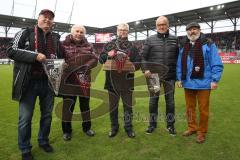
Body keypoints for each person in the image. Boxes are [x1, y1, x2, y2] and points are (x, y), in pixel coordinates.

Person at [7, 9, 64, 160]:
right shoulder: (25, 32)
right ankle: (25, 148)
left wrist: (61, 64)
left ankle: (43, 141)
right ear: (38, 18)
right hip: (28, 82)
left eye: (50, 18)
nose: (47, 20)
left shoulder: (56, 37)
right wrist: (35, 56)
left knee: (47, 116)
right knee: (25, 118)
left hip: (48, 82)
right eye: (44, 17)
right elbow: (11, 50)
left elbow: (60, 56)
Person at [176, 22, 223, 143]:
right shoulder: (183, 45)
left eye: (195, 29)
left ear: (199, 30)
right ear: (187, 32)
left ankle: (201, 131)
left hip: (204, 83)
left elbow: (216, 62)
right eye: (190, 30)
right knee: (189, 108)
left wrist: (215, 79)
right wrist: (180, 78)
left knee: (203, 109)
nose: (192, 32)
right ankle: (192, 127)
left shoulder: (208, 44)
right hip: (188, 83)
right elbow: (179, 64)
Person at [99, 23, 140, 138]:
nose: (122, 32)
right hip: (111, 82)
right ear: (117, 31)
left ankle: (128, 127)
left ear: (128, 32)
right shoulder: (109, 44)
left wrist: (132, 65)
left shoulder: (132, 46)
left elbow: (138, 62)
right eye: (120, 30)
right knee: (113, 107)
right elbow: (101, 59)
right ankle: (114, 127)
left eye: (125, 30)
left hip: (127, 82)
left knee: (128, 107)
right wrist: (108, 54)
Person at [141, 16, 179, 135]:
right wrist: (145, 69)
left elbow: (179, 58)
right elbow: (143, 56)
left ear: (168, 25)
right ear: (156, 26)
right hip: (154, 76)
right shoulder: (150, 39)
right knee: (153, 101)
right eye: (159, 25)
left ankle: (170, 125)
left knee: (170, 102)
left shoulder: (175, 39)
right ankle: (152, 125)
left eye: (164, 24)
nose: (161, 26)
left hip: (170, 76)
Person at [60, 24, 98, 141]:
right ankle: (66, 131)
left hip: (84, 80)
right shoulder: (62, 45)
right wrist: (62, 62)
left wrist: (86, 66)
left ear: (84, 34)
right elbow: (56, 57)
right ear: (72, 32)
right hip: (68, 80)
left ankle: (87, 128)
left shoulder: (89, 45)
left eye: (81, 32)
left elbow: (95, 59)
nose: (79, 34)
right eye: (77, 31)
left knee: (85, 106)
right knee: (68, 107)